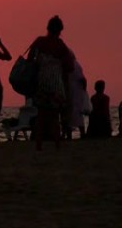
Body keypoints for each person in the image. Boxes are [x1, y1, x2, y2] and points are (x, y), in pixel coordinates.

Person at [28, 15, 75, 150]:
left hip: (42, 81)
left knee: (41, 115)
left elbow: (30, 59)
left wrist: (40, 63)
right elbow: (70, 66)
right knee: (55, 116)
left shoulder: (39, 41)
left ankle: (38, 145)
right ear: (59, 30)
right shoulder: (60, 45)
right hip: (56, 83)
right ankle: (57, 144)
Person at [66, 56, 91, 139]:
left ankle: (70, 135)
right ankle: (81, 134)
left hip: (73, 92)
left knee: (70, 113)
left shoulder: (71, 65)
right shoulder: (76, 65)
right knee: (76, 114)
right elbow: (83, 80)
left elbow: (83, 80)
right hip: (76, 92)